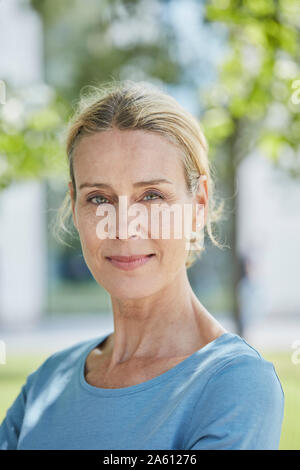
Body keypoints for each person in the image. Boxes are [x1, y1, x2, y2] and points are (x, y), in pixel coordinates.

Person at [0, 80, 284, 450]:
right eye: (98, 198)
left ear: (198, 204)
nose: (123, 226)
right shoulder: (47, 381)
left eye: (151, 195)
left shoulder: (233, 384)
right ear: (74, 206)